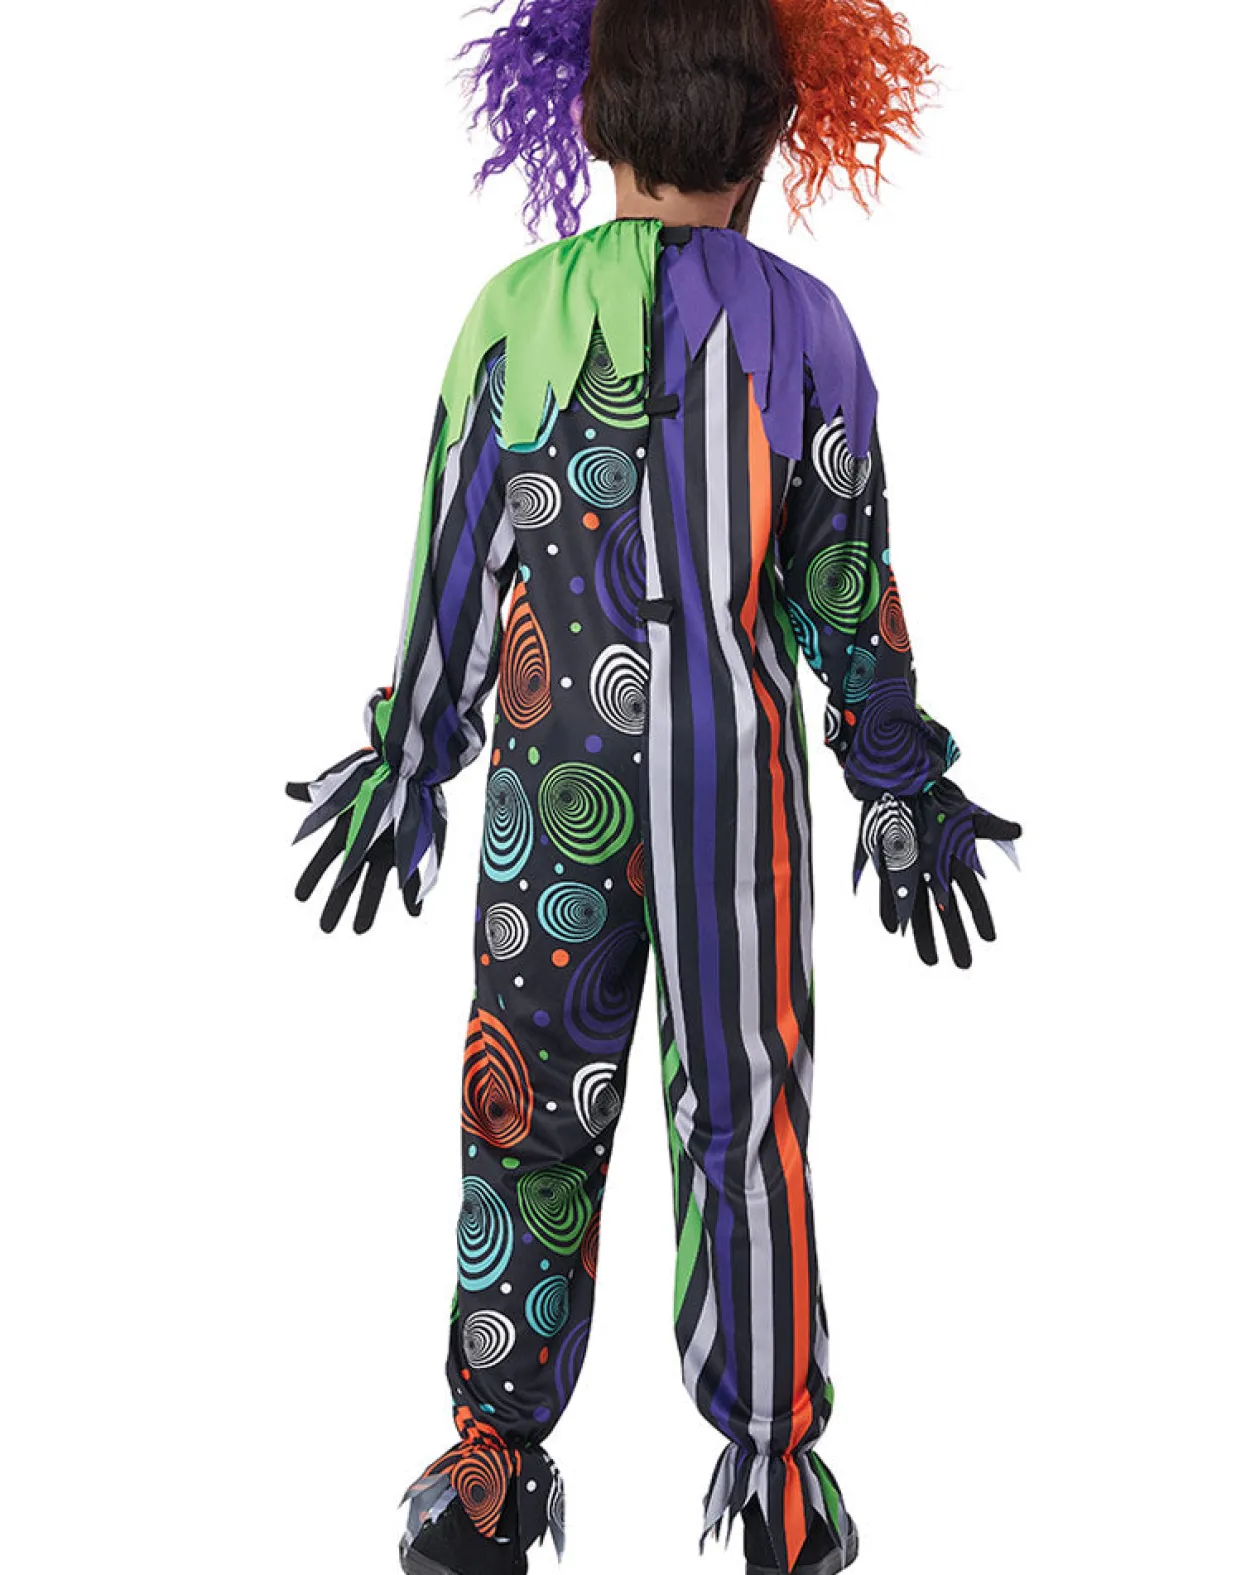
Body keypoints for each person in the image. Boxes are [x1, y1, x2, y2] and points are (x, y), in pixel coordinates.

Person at [287, 1, 1021, 1571]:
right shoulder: (808, 329)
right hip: (733, 808)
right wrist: (896, 775)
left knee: (525, 1114)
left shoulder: (514, 316)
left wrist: (408, 757)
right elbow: (847, 586)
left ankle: (492, 1465)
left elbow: (457, 570)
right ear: (773, 135)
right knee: (747, 1126)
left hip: (552, 796)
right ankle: (777, 1482)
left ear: (590, 119)